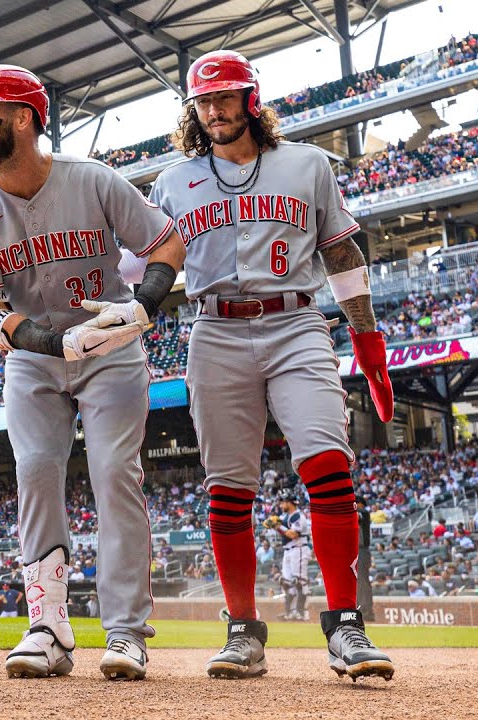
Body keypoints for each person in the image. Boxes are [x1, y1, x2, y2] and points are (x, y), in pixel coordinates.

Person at [143, 50, 395, 682]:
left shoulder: (306, 163)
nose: (214, 110)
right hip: (215, 328)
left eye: (225, 97)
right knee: (227, 486)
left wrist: (367, 343)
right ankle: (243, 632)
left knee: (328, 462)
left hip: (296, 321)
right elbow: (148, 265)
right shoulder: (172, 181)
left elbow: (342, 252)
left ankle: (344, 628)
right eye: (203, 102)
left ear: (252, 100)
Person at [0, 63, 180, 682]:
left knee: (113, 474)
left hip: (110, 351)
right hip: (32, 360)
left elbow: (167, 244)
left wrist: (143, 304)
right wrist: (52, 340)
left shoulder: (93, 180)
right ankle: (47, 626)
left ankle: (126, 632)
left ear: (25, 118)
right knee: (36, 472)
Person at [274, 491, 311, 621]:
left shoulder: (298, 517)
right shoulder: (287, 517)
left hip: (299, 549)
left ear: (290, 503)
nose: (281, 504)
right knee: (287, 582)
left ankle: (302, 612)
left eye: (283, 502)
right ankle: (291, 612)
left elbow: (293, 535)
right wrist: (278, 526)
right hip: (288, 550)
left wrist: (278, 526)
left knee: (299, 581)